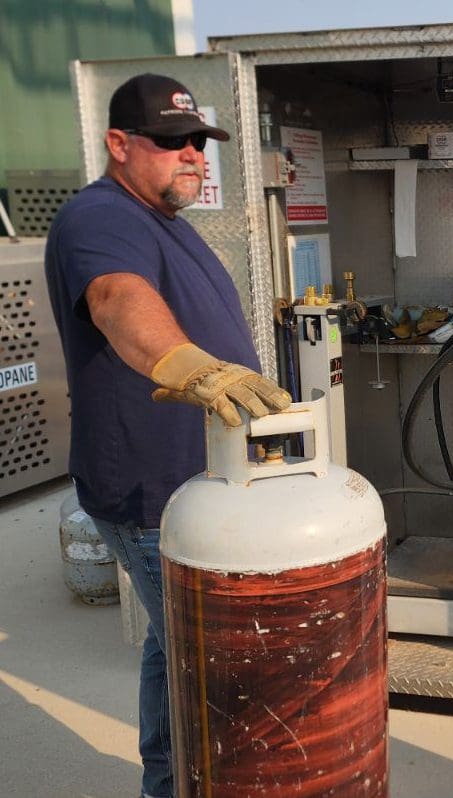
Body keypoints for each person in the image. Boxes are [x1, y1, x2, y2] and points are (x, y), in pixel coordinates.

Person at [44, 73, 290, 798]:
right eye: (171, 142)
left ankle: (166, 782)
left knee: (170, 644)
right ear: (119, 145)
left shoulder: (163, 223)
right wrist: (192, 369)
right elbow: (118, 299)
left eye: (198, 142)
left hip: (192, 483)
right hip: (156, 494)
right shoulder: (101, 217)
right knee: (212, 659)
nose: (192, 155)